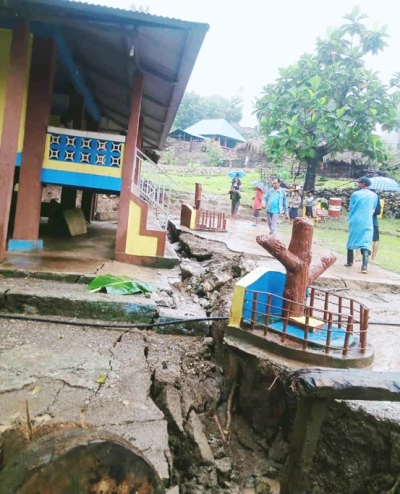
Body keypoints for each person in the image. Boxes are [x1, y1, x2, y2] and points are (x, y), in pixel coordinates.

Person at [345, 177, 379, 274]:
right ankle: (364, 266)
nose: (357, 184)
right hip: (368, 221)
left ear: (363, 184)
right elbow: (374, 208)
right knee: (366, 241)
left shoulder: (355, 194)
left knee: (352, 238)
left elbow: (351, 207)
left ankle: (350, 261)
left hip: (356, 219)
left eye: (358, 183)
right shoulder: (374, 196)